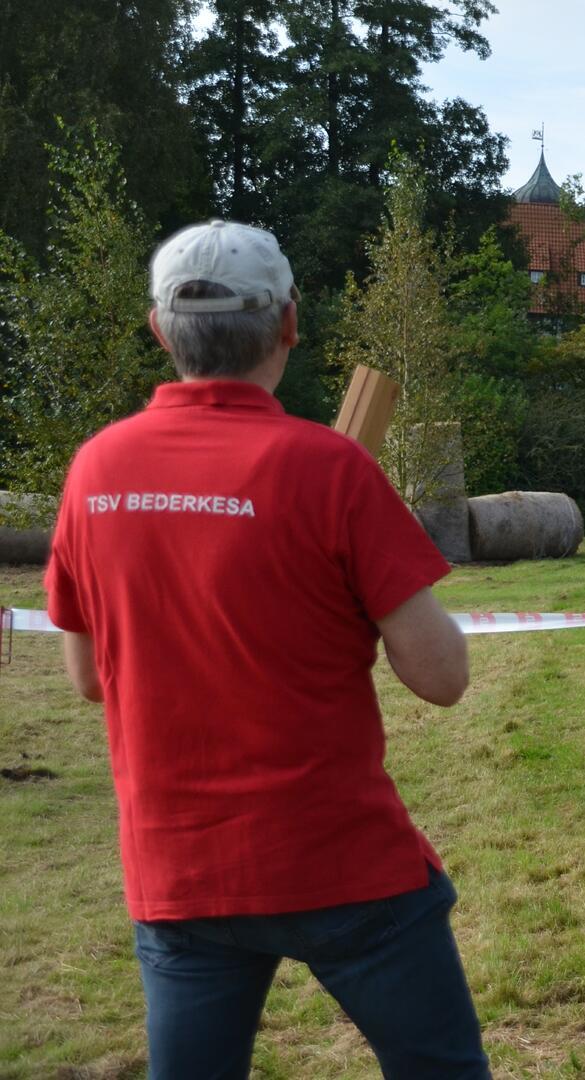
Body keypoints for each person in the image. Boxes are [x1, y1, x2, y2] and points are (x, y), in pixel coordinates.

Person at [43, 220, 487, 1075]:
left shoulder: (94, 470)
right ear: (289, 323)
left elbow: (88, 679)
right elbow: (442, 677)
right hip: (342, 864)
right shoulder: (330, 471)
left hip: (182, 869)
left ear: (159, 329)